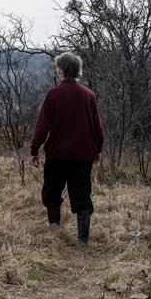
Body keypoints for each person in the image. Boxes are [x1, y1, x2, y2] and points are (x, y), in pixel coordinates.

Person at [29, 52, 104, 244]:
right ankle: (83, 240)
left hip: (57, 155)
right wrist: (97, 150)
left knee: (52, 193)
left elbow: (42, 127)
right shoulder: (88, 95)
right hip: (82, 155)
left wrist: (34, 150)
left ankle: (54, 231)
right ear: (78, 70)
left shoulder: (53, 95)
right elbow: (97, 128)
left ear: (60, 70)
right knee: (82, 196)